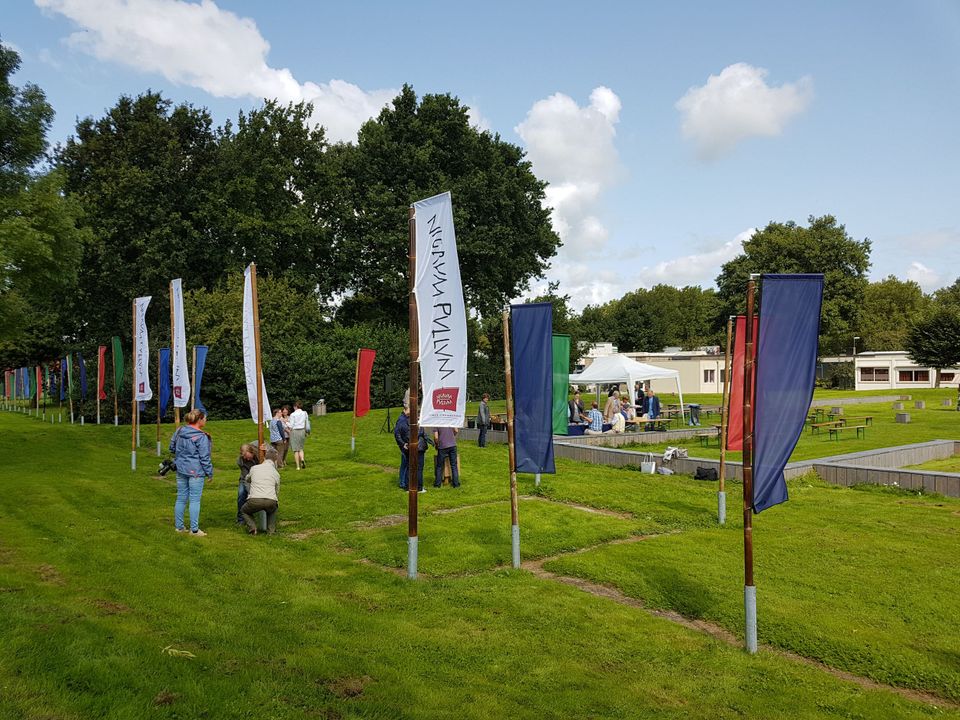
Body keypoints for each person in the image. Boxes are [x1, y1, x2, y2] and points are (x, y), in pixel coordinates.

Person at [170, 409, 213, 536]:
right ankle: (194, 530)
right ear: (199, 420)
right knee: (194, 500)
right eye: (204, 418)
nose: (206, 420)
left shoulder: (179, 431)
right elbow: (205, 457)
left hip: (181, 468)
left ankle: (179, 527)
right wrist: (209, 473)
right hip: (196, 472)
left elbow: (172, 447)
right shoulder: (201, 437)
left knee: (181, 498)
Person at [241, 446, 281, 535]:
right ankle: (271, 531)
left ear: (264, 458)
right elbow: (277, 490)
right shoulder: (276, 473)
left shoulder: (254, 468)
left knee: (244, 511)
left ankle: (252, 527)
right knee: (272, 511)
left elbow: (247, 479)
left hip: (255, 499)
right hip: (271, 500)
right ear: (275, 461)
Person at [394, 406, 427, 492]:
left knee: (410, 467)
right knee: (416, 468)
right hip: (415, 447)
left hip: (412, 446)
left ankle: (408, 486)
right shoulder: (404, 420)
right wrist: (403, 444)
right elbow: (399, 433)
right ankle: (417, 487)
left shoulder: (408, 420)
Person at [236, 443, 258, 524]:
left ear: (252, 452)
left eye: (248, 457)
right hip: (246, 478)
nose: (247, 459)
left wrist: (265, 449)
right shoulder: (240, 461)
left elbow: (273, 452)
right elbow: (246, 478)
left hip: (259, 477)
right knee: (241, 494)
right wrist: (249, 492)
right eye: (244, 457)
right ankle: (241, 519)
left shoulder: (260, 454)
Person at [288, 401, 309, 470]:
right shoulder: (305, 413)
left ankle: (298, 466)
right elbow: (306, 422)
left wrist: (285, 422)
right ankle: (302, 459)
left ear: (295, 406)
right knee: (301, 448)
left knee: (295, 450)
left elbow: (291, 426)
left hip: (295, 431)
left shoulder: (293, 414)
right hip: (302, 431)